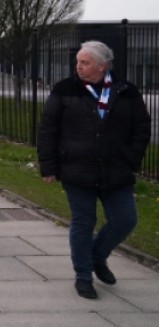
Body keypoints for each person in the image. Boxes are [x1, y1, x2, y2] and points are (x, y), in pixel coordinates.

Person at [38, 41, 151, 300]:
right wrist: (49, 165)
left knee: (125, 220)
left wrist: (131, 158)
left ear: (102, 65)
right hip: (77, 168)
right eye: (77, 61)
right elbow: (48, 128)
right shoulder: (65, 89)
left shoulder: (125, 91)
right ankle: (83, 276)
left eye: (84, 62)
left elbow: (142, 127)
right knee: (83, 222)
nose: (78, 66)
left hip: (116, 170)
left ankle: (97, 257)